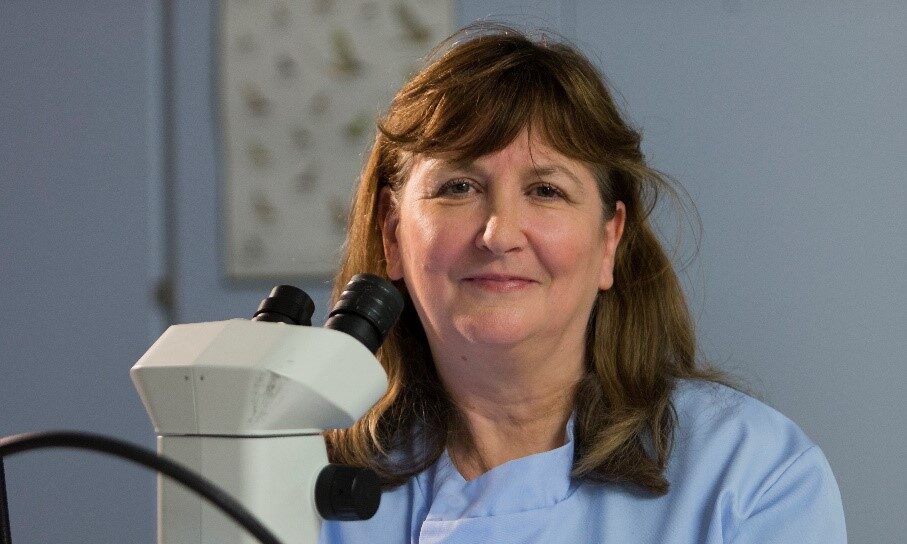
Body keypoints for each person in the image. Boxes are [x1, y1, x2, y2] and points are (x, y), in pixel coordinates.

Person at [320, 23, 846, 543]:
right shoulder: (297, 476)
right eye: (458, 187)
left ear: (609, 240)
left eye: (546, 190)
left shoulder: (752, 478)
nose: (499, 233)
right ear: (392, 232)